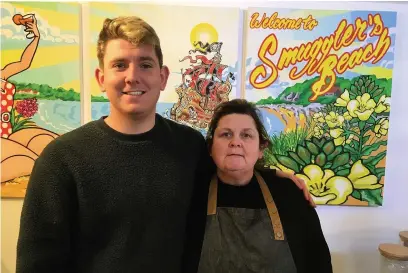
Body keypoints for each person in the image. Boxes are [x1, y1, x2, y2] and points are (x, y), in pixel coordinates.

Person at [16, 16, 312, 273]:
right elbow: (38, 263)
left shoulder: (188, 146)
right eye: (120, 65)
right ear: (101, 77)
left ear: (162, 76)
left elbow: (232, 177)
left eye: (145, 64)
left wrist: (275, 177)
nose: (133, 76)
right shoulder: (62, 160)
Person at [197, 99, 333, 273]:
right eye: (226, 134)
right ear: (210, 148)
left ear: (261, 148)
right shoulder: (192, 193)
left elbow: (317, 261)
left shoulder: (289, 193)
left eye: (246, 135)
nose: (235, 142)